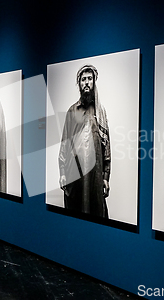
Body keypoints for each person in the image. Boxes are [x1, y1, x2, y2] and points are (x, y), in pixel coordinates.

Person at [58, 64, 111, 218]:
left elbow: (106, 147)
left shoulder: (100, 112)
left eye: (90, 79)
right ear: (79, 83)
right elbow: (64, 144)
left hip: (95, 176)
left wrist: (106, 177)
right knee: (75, 214)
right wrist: (62, 173)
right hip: (74, 175)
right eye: (83, 79)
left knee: (96, 216)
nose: (87, 82)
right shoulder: (72, 111)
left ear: (94, 82)